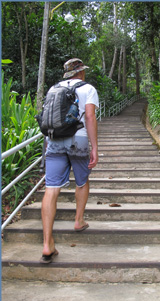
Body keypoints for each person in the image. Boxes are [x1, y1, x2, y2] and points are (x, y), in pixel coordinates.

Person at [41, 58, 99, 262]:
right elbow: (90, 117)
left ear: (67, 73)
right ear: (81, 72)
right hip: (79, 140)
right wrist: (95, 147)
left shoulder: (53, 89)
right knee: (82, 180)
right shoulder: (88, 89)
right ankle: (78, 220)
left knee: (51, 188)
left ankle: (47, 244)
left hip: (55, 140)